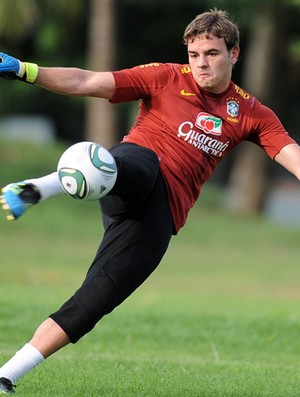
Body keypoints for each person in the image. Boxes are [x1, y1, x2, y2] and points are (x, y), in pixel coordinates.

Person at [0, 8, 300, 394]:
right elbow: (88, 80)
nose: (201, 64)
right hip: (133, 168)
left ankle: (7, 375)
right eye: (194, 55)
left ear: (234, 54)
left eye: (211, 54)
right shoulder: (165, 77)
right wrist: (26, 70)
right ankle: (42, 186)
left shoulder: (251, 113)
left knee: (95, 301)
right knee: (130, 164)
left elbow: (291, 154)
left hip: (161, 215)